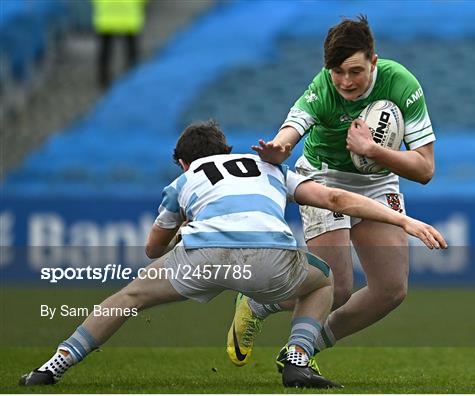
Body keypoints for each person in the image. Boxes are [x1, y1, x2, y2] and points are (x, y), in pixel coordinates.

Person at [20, 121, 445, 389]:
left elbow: (153, 248)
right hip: (270, 258)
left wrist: (182, 236)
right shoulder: (269, 168)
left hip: (202, 254)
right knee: (324, 281)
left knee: (127, 298)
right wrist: (404, 222)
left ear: (182, 162)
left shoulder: (184, 181)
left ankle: (53, 366)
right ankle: (297, 359)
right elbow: (334, 197)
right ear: (226, 150)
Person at [227, 15, 437, 372]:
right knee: (336, 286)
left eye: (355, 71)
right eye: (337, 71)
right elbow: (291, 131)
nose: (345, 81)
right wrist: (279, 149)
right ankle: (257, 304)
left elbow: (425, 169)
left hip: (377, 180)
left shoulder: (402, 85)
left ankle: (307, 348)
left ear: (374, 60)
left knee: (390, 290)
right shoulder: (323, 88)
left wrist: (373, 151)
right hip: (324, 178)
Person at [92, 0, 146, 89]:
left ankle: (103, 78)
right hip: (129, 15)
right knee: (131, 51)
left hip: (106, 15)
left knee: (106, 51)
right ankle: (133, 76)